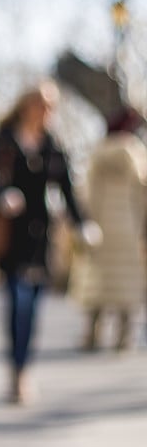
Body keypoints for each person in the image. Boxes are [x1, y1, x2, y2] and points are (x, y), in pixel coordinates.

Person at [0, 81, 100, 404]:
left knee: (33, 310)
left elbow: (68, 193)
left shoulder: (54, 147)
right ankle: (17, 370)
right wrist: (2, 193)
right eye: (41, 104)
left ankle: (24, 367)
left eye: (52, 106)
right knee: (19, 304)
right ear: (26, 105)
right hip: (11, 240)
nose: (46, 112)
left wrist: (83, 224)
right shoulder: (5, 143)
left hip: (42, 239)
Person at [70, 108, 147, 351]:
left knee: (97, 281)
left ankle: (92, 334)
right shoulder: (137, 155)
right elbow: (143, 194)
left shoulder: (98, 154)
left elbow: (88, 192)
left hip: (101, 225)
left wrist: (86, 221)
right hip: (128, 227)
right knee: (127, 281)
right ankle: (124, 337)